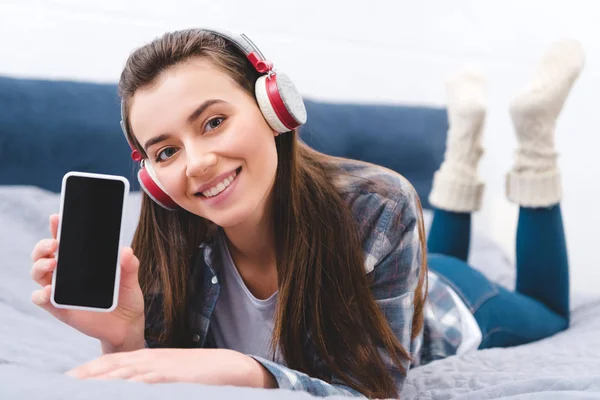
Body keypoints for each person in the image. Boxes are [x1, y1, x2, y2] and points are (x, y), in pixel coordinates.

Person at [28, 29, 582, 398]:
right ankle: (463, 150)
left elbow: (373, 389)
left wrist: (249, 372)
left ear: (275, 107)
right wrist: (124, 338)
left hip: (450, 304)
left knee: (549, 312)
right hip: (404, 272)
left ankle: (533, 139)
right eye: (166, 151)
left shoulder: (377, 204)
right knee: (436, 249)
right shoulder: (170, 241)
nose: (195, 164)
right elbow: (162, 371)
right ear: (151, 175)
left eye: (214, 121)